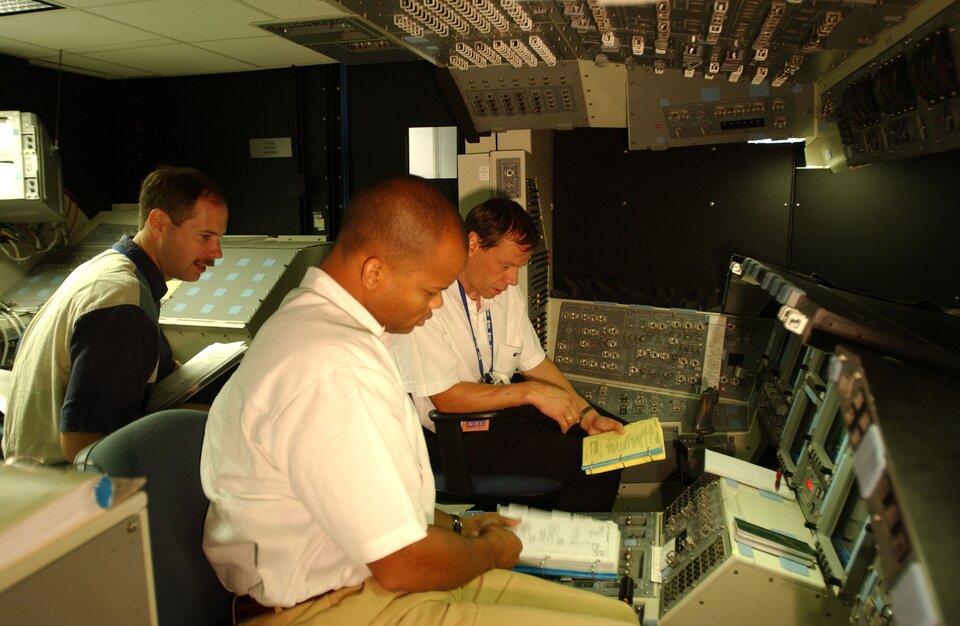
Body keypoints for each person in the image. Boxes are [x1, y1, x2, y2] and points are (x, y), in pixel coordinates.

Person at [200, 176, 637, 625]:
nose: (433, 307)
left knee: (618, 616)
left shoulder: (321, 323)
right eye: (429, 292)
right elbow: (404, 561)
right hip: (323, 603)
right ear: (375, 272)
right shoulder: (333, 367)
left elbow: (374, 502)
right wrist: (488, 548)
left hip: (368, 574)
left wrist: (459, 527)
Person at [394, 197, 624, 512]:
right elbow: (446, 398)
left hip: (497, 415)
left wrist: (588, 416)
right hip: (455, 437)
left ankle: (538, 534)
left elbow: (536, 364)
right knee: (590, 464)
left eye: (518, 268)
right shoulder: (431, 303)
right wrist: (529, 392)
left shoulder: (505, 296)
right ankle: (571, 552)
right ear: (473, 244)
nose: (513, 280)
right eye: (505, 266)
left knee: (609, 441)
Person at [2, 165, 228, 464]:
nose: (217, 252)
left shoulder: (120, 271)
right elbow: (84, 446)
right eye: (205, 236)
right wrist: (192, 419)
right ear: (159, 222)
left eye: (219, 238)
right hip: (63, 484)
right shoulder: (121, 300)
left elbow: (161, 369)